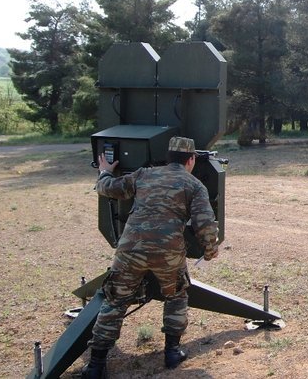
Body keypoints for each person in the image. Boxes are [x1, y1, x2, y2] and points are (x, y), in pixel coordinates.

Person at [82, 136, 220, 378]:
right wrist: (210, 251)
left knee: (115, 301)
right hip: (168, 252)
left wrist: (104, 171)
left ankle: (96, 365)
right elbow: (205, 224)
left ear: (168, 158)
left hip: (131, 249)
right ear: (191, 160)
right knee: (176, 296)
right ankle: (172, 353)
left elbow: (108, 189)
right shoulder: (194, 185)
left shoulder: (144, 174)